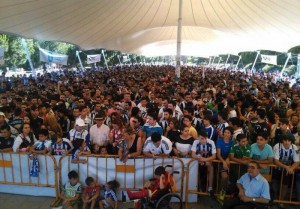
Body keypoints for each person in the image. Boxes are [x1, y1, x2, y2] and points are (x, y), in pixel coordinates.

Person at [272, 134, 299, 201]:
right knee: (275, 182)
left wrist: (291, 168)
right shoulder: (277, 146)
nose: (287, 142)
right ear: (282, 141)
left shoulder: (295, 148)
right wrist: (287, 167)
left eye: (289, 141)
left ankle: (281, 200)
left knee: (285, 184)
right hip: (277, 168)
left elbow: (297, 161)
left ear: (291, 141)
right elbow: (275, 161)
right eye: (285, 140)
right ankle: (275, 198)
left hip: (288, 169)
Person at [191, 130, 216, 196]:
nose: (204, 140)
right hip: (197, 160)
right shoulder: (195, 142)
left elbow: (214, 156)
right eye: (202, 138)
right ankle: (197, 187)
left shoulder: (211, 142)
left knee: (211, 168)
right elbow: (193, 155)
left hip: (207, 160)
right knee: (195, 170)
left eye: (205, 138)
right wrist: (200, 160)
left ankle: (210, 188)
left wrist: (205, 160)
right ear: (198, 138)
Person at [216, 126, 233, 198]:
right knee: (224, 177)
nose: (226, 134)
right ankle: (221, 194)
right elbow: (218, 154)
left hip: (229, 162)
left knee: (230, 178)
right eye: (225, 132)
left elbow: (231, 153)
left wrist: (228, 159)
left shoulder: (232, 142)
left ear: (231, 134)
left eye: (228, 133)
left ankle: (229, 194)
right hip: (220, 161)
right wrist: (223, 161)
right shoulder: (219, 140)